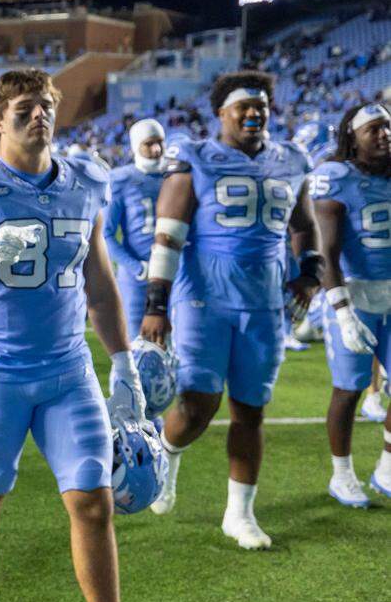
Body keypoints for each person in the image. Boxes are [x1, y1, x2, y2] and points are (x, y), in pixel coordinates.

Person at [0, 69, 189, 602]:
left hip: (66, 371)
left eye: (47, 106)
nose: (40, 116)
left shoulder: (85, 182)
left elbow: (100, 283)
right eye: (26, 107)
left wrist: (124, 360)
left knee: (92, 498)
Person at [140, 72, 322, 548]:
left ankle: (239, 514)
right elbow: (167, 233)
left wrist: (310, 269)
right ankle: (168, 451)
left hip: (263, 302)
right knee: (199, 405)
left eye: (260, 105)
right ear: (221, 113)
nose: (252, 113)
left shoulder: (291, 160)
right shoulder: (196, 157)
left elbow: (303, 223)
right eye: (242, 106)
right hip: (203, 297)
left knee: (251, 410)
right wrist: (156, 304)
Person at [309, 102, 391, 506]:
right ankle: (342, 474)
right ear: (352, 138)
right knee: (348, 390)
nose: (384, 134)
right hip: (355, 295)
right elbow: (326, 248)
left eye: (388, 127)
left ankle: (387, 467)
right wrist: (341, 312)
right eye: (374, 129)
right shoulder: (335, 178)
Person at [105, 118, 168, 336]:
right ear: (136, 146)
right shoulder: (121, 179)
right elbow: (106, 235)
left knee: (179, 349)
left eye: (160, 142)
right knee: (137, 345)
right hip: (137, 279)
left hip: (173, 274)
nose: (157, 149)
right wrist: (137, 268)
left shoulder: (175, 176)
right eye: (149, 143)